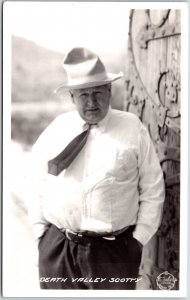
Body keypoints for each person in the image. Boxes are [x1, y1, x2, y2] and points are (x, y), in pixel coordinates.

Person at [28, 47, 165, 290]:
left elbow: (152, 188)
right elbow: (37, 180)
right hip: (59, 250)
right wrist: (41, 234)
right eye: (83, 95)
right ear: (72, 97)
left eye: (98, 93)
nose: (91, 102)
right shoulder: (57, 129)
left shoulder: (132, 128)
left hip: (113, 254)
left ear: (110, 91)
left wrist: (138, 240)